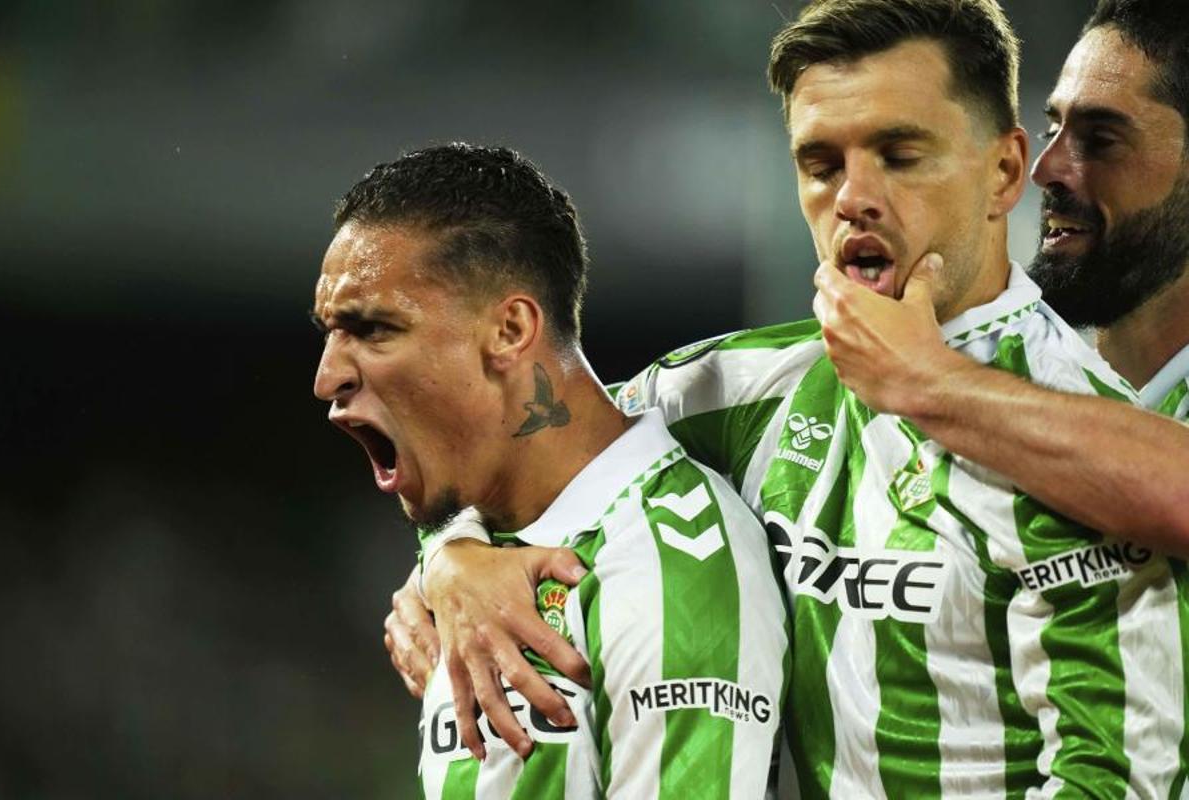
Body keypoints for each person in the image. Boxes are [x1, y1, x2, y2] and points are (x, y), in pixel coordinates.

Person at [388, 1, 1188, 795]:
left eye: (900, 155)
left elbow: (1116, 781)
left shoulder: (1084, 454)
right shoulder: (728, 393)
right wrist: (453, 552)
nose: (853, 198)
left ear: (1005, 172)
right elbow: (523, 450)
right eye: (821, 164)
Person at [312, 144, 788, 797]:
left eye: (374, 329)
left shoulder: (668, 571)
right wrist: (447, 556)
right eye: (330, 333)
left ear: (509, 331)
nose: (326, 377)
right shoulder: (472, 554)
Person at [811, 0, 1189, 551]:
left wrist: (926, 381)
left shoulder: (943, 383)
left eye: (1100, 139)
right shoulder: (1028, 366)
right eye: (1053, 127)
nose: (1046, 168)